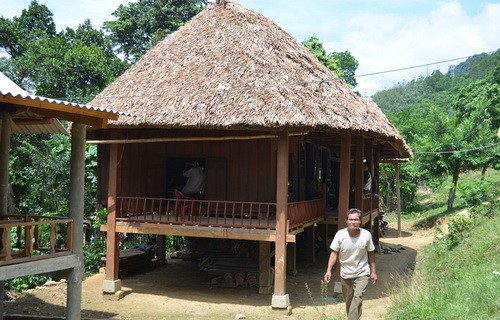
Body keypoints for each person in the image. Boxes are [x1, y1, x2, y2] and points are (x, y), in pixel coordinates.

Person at [324, 208, 377, 320]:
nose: (353, 222)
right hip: (346, 273)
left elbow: (371, 254)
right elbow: (334, 254)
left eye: (356, 219)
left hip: (362, 272)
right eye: (351, 219)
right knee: (349, 300)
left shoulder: (366, 235)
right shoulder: (340, 235)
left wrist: (373, 272)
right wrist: (328, 270)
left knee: (357, 297)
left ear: (360, 221)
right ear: (346, 221)